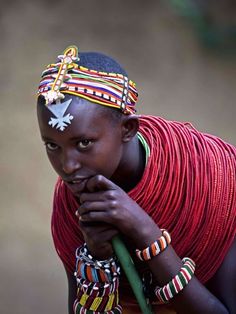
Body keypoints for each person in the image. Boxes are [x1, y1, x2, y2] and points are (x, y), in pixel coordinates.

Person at [37, 45, 236, 314]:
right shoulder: (70, 208)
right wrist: (97, 256)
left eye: (84, 143)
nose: (67, 166)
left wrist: (144, 231)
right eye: (52, 146)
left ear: (128, 129)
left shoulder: (211, 175)